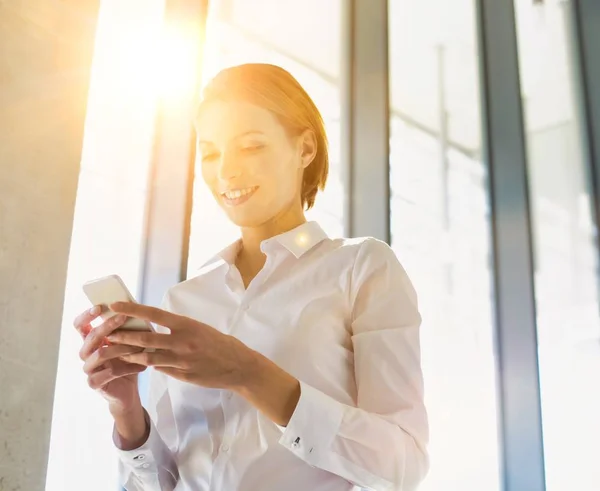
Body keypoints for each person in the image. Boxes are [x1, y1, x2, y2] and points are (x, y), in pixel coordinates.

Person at [73, 63, 429, 491]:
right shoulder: (186, 300)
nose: (226, 172)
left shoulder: (361, 268)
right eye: (209, 153)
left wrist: (247, 372)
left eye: (251, 146)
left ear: (305, 149)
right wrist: (126, 409)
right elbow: (159, 483)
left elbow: (403, 463)